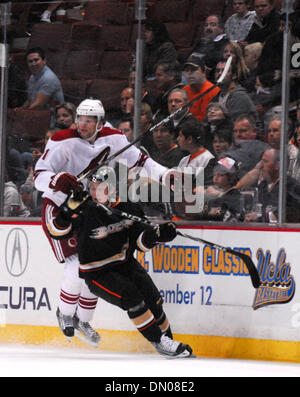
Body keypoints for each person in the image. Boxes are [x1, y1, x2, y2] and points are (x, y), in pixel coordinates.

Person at [33, 98, 170, 344]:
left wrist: (166, 174)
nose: (83, 125)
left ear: (100, 121)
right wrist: (57, 181)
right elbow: (39, 176)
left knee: (95, 266)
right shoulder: (61, 140)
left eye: (89, 120)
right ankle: (65, 313)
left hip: (88, 208)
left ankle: (83, 320)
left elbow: (142, 161)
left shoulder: (114, 137)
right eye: (80, 119)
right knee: (77, 265)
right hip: (59, 208)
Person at [46, 167, 194, 358]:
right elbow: (56, 232)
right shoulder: (84, 208)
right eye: (92, 187)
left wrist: (157, 236)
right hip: (97, 273)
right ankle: (160, 342)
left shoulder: (129, 208)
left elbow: (140, 243)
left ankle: (169, 341)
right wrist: (66, 212)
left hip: (126, 265)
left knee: (154, 302)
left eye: (100, 187)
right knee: (132, 297)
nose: (94, 192)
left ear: (114, 189)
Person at [244, 148, 300, 223]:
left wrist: (262, 217)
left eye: (265, 161)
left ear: (278, 165)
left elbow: (292, 215)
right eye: (261, 161)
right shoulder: (262, 186)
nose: (260, 165)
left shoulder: (292, 186)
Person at [212, 58, 258, 123]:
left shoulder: (239, 96)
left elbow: (237, 124)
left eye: (224, 71)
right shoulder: (216, 97)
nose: (220, 73)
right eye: (217, 71)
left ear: (234, 76)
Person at [182, 53, 220, 123]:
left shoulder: (213, 90)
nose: (190, 73)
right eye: (187, 70)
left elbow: (205, 120)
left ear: (204, 71)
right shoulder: (184, 91)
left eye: (193, 70)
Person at [191, 14, 229, 79]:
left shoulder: (225, 44)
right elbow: (191, 58)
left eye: (213, 25)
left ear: (221, 29)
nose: (208, 28)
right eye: (206, 25)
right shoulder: (202, 42)